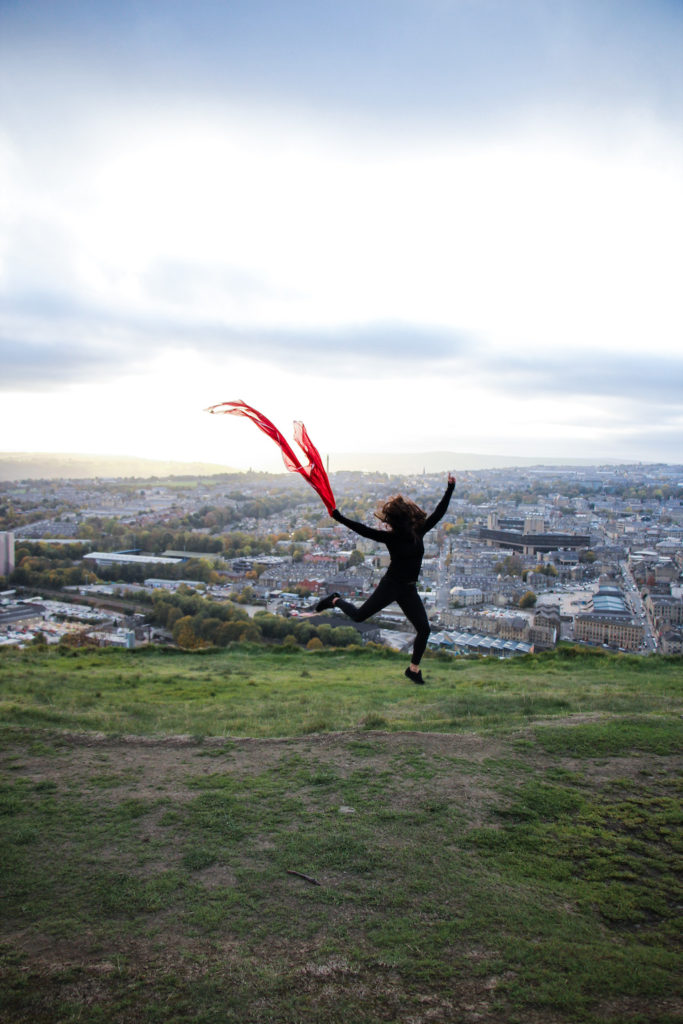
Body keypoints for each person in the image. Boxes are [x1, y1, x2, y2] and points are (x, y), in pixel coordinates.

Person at [316, 474, 455, 684]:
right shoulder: (391, 537)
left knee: (424, 629)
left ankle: (413, 670)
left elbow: (439, 513)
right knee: (359, 616)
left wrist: (450, 488)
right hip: (391, 585)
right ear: (404, 519)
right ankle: (335, 599)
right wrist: (338, 517)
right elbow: (362, 530)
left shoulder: (419, 530)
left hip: (408, 589)